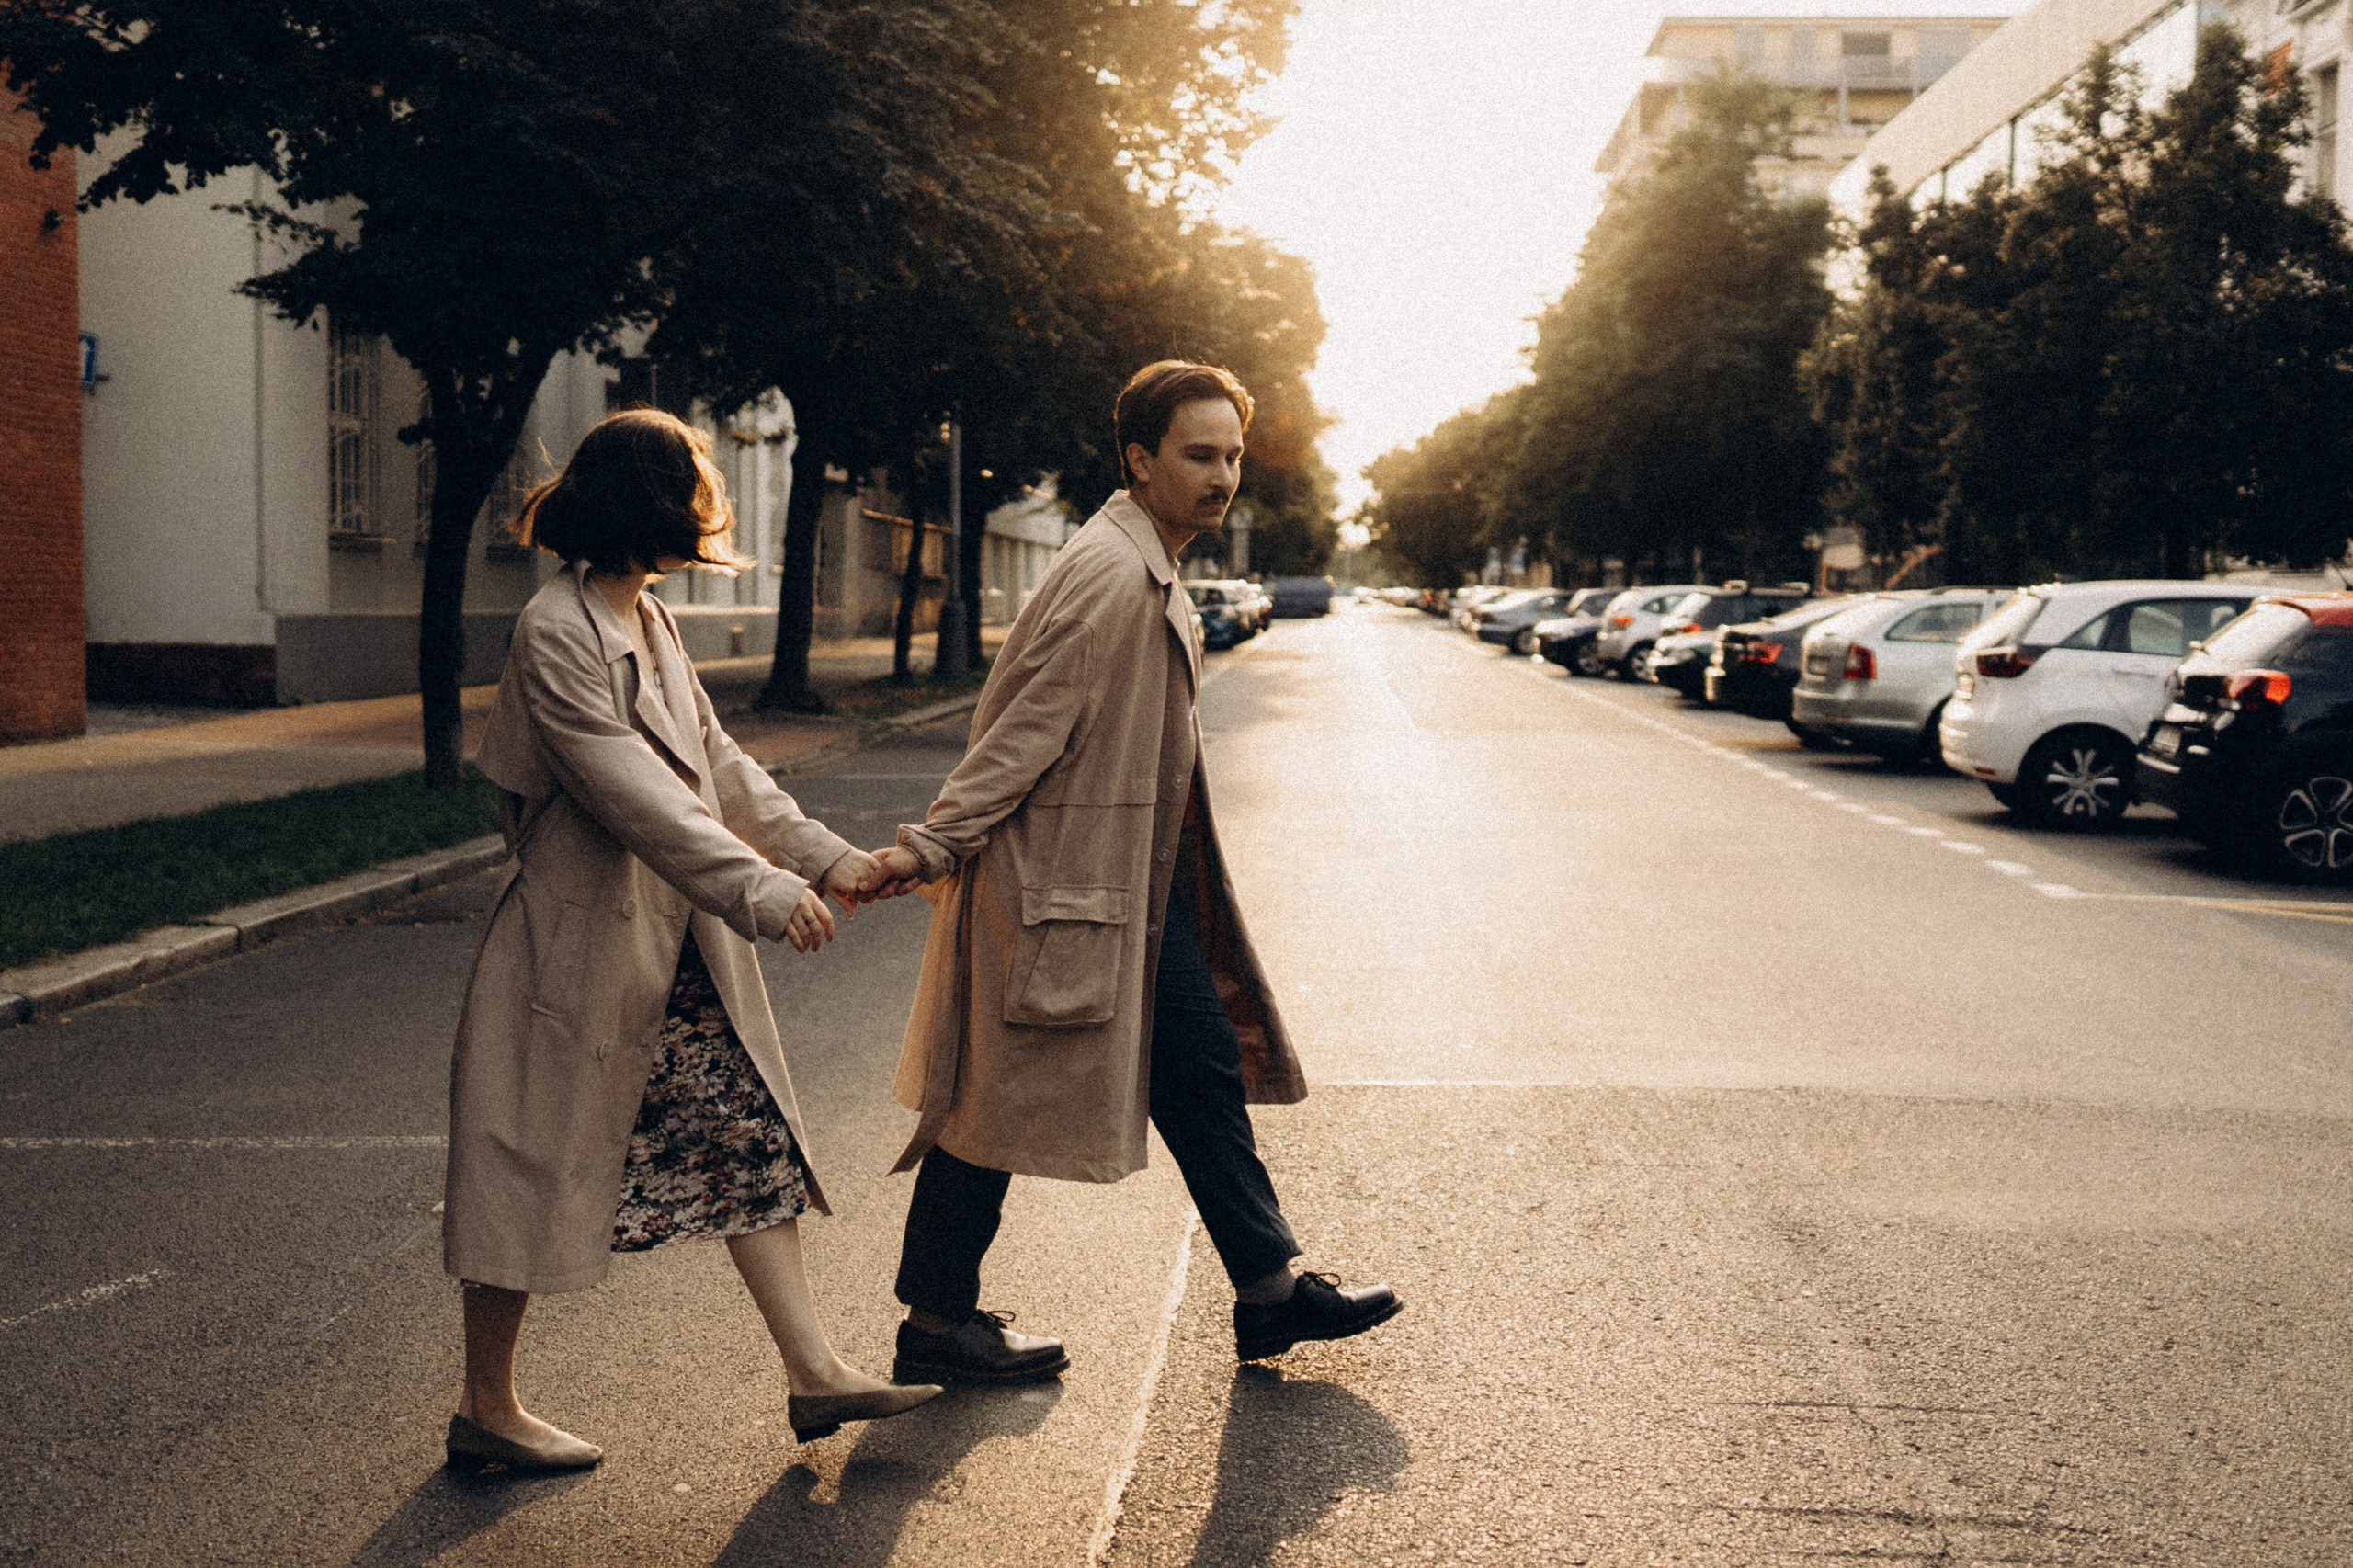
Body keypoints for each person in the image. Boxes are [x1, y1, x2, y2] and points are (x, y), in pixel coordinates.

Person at [857, 361, 1401, 1381]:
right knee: (989, 1104)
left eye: (1232, 455)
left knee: (1199, 1069)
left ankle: (1269, 1292)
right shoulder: (1112, 574)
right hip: (1062, 893)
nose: (1222, 475)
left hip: (1126, 893)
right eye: (1199, 455)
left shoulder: (1145, 562)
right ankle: (934, 1325)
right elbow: (1019, 732)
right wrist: (931, 844)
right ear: (1140, 460)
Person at [440, 409, 938, 1471]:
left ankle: (813, 1370)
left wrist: (826, 857)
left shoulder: (650, 617)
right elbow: (632, 794)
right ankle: (486, 1406)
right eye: (698, 492)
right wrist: (764, 888)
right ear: (652, 503)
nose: (710, 512)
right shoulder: (556, 628)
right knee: (524, 1163)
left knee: (745, 1137)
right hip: (576, 950)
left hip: (668, 947)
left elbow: (718, 765)